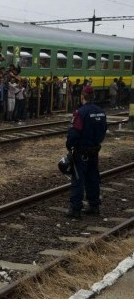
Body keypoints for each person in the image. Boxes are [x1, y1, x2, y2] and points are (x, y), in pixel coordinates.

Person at [65, 86, 107, 219]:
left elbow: (74, 132)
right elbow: (104, 130)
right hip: (94, 150)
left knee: (78, 179)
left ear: (82, 96)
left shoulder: (80, 112)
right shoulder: (101, 112)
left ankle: (75, 209)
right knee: (93, 178)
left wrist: (69, 144)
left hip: (81, 151)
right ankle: (94, 205)